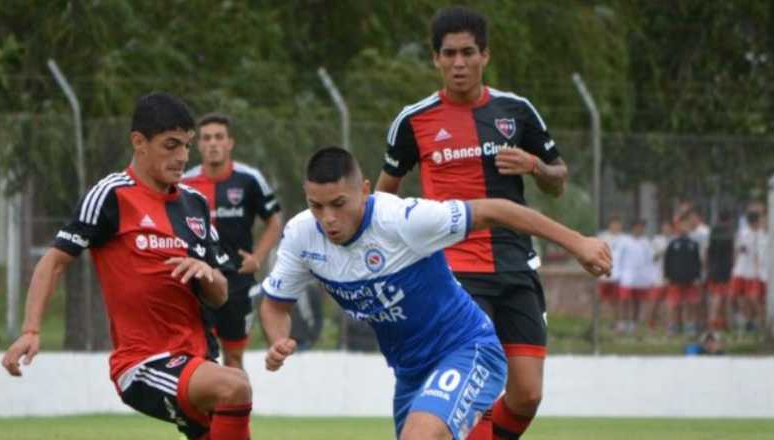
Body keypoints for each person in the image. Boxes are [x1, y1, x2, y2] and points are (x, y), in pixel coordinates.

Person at [261, 147, 610, 440]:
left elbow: (495, 210)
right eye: (316, 206)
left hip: (468, 349)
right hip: (410, 372)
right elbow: (276, 305)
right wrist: (278, 340)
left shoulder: (403, 219)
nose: (328, 219)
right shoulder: (301, 235)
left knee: (421, 436)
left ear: (365, 190)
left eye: (338, 203)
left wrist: (578, 242)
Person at [0, 93, 252, 440]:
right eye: (171, 145)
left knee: (231, 397)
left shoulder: (194, 203)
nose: (182, 156)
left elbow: (221, 294)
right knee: (235, 385)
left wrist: (206, 272)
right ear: (139, 142)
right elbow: (54, 261)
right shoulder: (111, 195)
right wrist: (31, 330)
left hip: (197, 359)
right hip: (144, 362)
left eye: (186, 146)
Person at [374, 7, 570, 438]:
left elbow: (558, 180)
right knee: (471, 387)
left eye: (468, 53)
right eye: (449, 54)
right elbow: (384, 196)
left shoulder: (515, 111)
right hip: (453, 271)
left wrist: (535, 165)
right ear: (436, 60)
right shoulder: (413, 120)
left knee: (526, 395)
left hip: (516, 265)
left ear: (485, 55)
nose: (458, 63)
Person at [183, 112, 283, 370]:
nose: (213, 143)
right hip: (197, 283)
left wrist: (258, 258)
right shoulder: (184, 183)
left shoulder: (249, 179)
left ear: (230, 143)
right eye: (206, 138)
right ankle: (204, 412)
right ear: (198, 144)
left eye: (219, 137)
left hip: (238, 281)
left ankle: (237, 411)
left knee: (234, 358)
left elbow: (275, 221)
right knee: (197, 358)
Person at [614, 220, 653, 335]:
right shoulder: (624, 241)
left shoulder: (646, 242)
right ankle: (622, 322)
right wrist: (617, 274)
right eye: (638, 227)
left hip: (640, 278)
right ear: (633, 228)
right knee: (624, 300)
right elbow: (618, 258)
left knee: (637, 301)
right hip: (626, 275)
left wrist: (649, 277)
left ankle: (633, 324)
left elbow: (649, 260)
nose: (640, 230)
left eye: (642, 228)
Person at [665, 215, 703, 335]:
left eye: (686, 225)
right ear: (678, 227)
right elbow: (667, 261)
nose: (684, 227)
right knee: (674, 304)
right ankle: (673, 326)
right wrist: (667, 276)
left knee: (690, 304)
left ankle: (689, 326)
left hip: (691, 279)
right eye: (682, 225)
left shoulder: (694, 244)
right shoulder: (672, 243)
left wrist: (697, 276)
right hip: (675, 279)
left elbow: (697, 262)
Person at [731, 212, 763, 332]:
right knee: (736, 297)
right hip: (740, 270)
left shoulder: (761, 234)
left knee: (753, 298)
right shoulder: (743, 233)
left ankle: (756, 322)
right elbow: (739, 249)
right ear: (753, 222)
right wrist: (734, 266)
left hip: (754, 272)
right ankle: (744, 320)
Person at [706, 212, 735, 330]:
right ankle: (720, 323)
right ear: (729, 220)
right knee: (723, 297)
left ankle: (716, 322)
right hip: (725, 269)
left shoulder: (713, 232)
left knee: (716, 296)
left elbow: (709, 251)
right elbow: (732, 253)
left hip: (713, 268)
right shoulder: (729, 234)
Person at [598, 217, 628, 323]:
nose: (616, 227)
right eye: (614, 224)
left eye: (618, 224)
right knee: (599, 299)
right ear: (610, 225)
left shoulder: (625, 239)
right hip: (603, 275)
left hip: (618, 276)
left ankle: (616, 321)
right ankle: (598, 321)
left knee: (616, 301)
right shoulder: (603, 237)